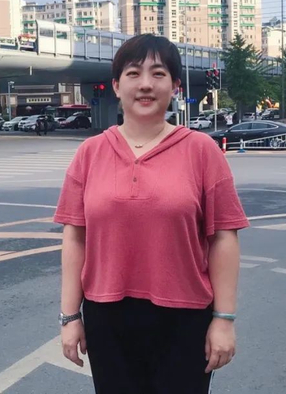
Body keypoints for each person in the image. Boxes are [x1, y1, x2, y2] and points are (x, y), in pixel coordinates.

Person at [55, 34, 249, 393]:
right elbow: (75, 237)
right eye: (133, 73)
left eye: (158, 74)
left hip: (185, 318)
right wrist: (70, 316)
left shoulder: (202, 151)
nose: (145, 84)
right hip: (107, 317)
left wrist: (224, 319)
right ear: (116, 86)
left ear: (175, 86)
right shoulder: (90, 153)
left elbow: (223, 237)